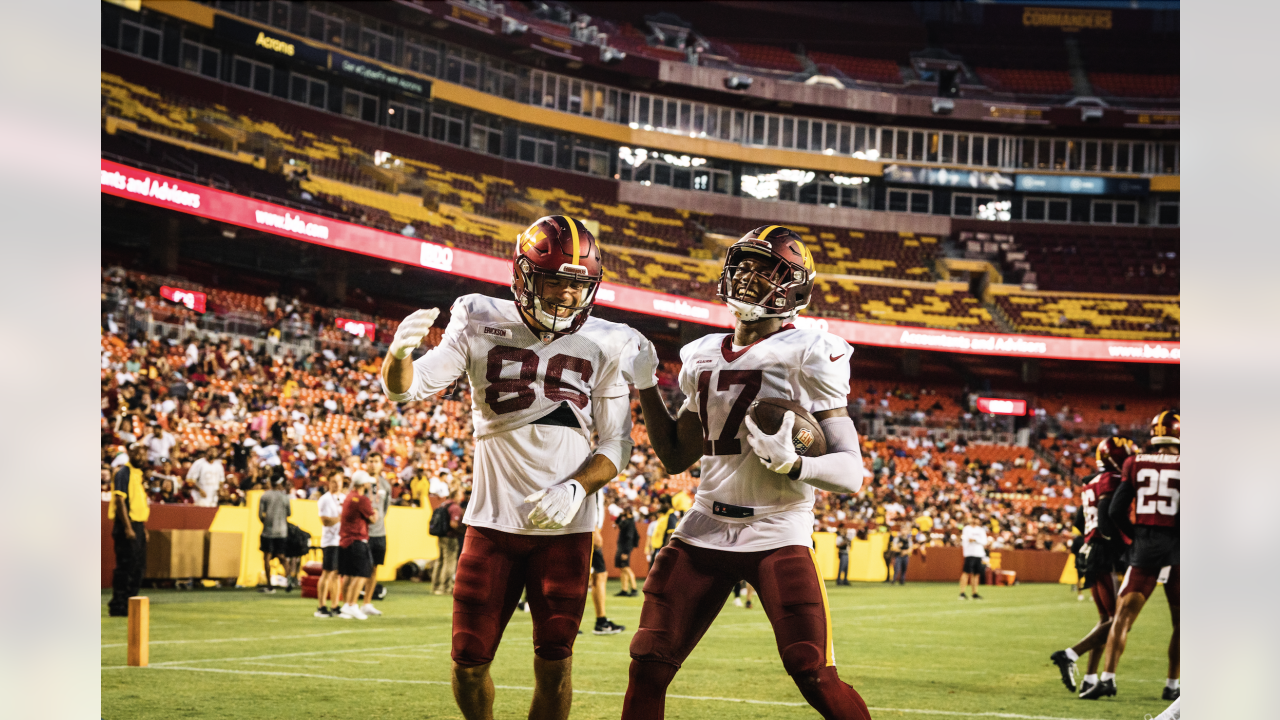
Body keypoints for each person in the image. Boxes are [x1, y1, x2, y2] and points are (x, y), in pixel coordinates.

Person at [380, 215, 634, 720]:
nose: (565, 298)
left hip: (567, 527)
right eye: (555, 283)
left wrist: (577, 490)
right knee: (468, 661)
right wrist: (397, 357)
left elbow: (618, 445)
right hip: (492, 522)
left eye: (577, 286)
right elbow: (408, 387)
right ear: (523, 276)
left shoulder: (609, 339)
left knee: (556, 663)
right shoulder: (477, 315)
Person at [623, 225, 872, 720]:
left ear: (796, 287)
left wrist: (797, 463)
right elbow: (675, 456)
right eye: (744, 265)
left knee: (811, 668)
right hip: (704, 526)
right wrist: (647, 385)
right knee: (648, 661)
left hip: (777, 527)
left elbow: (851, 472)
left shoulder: (811, 351)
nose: (748, 276)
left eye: (766, 270)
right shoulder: (699, 354)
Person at [1082, 412, 1180, 701]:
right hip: (1179, 548)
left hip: (1144, 546)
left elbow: (1115, 511)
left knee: (1122, 617)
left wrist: (1133, 538)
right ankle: (1172, 685)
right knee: (1182, 623)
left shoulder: (1134, 462)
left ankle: (1108, 679)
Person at [1050, 437, 1134, 695]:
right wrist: (1124, 545)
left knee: (1107, 619)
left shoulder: (1091, 481)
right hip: (1103, 551)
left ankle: (1089, 678)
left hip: (1090, 550)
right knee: (1119, 620)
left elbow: (1079, 519)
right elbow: (1108, 517)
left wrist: (1090, 537)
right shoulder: (1110, 479)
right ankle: (1069, 654)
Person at [107, 443, 150, 617]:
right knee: (126, 566)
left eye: (144, 455)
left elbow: (137, 505)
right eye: (138, 454)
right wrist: (128, 527)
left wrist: (142, 529)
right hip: (127, 525)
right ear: (131, 454)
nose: (142, 458)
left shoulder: (137, 475)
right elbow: (120, 501)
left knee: (138, 567)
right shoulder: (123, 473)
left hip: (138, 525)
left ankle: (131, 603)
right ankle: (119, 604)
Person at [338, 473, 379, 620]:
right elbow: (373, 518)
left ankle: (346, 605)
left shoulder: (349, 496)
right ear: (364, 484)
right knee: (362, 573)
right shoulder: (361, 499)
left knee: (349, 574)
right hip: (357, 539)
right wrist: (376, 513)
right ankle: (352, 604)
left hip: (345, 539)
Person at [361, 452, 392, 616]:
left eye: (376, 461)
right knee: (358, 570)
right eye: (370, 461)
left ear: (381, 464)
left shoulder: (386, 486)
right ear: (366, 463)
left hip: (379, 532)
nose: (373, 464)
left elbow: (385, 509)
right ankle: (350, 603)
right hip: (362, 533)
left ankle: (366, 603)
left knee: (374, 569)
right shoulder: (360, 483)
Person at [589, 491, 625, 635]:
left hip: (589, 529)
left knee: (600, 575)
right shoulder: (593, 472)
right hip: (588, 530)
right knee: (578, 577)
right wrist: (594, 529)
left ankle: (601, 621)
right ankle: (565, 623)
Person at [315, 472, 346, 617]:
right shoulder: (325, 500)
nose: (337, 484)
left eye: (339, 481)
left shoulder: (343, 498)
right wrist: (341, 518)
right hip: (330, 541)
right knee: (327, 572)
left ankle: (335, 605)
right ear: (328, 483)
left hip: (341, 540)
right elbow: (325, 521)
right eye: (334, 481)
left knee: (337, 574)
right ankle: (321, 606)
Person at [257, 476, 291, 594]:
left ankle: (269, 585)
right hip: (282, 531)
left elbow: (260, 514)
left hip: (268, 531)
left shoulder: (265, 495)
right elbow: (289, 513)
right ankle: (289, 580)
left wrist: (266, 523)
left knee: (267, 557)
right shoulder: (285, 497)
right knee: (282, 556)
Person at [432, 484, 466, 596]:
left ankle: (436, 586)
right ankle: (445, 587)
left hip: (441, 536)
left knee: (440, 561)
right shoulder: (455, 507)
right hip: (450, 537)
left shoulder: (444, 504)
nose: (462, 496)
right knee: (449, 562)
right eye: (460, 494)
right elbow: (453, 524)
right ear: (456, 495)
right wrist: (463, 532)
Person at [959, 513, 989, 600]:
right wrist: (975, 540)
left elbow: (984, 541)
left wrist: (975, 539)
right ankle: (962, 592)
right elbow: (967, 539)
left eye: (976, 519)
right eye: (973, 518)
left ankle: (974, 593)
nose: (975, 520)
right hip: (969, 553)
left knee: (976, 574)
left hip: (978, 553)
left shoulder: (981, 530)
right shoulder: (966, 529)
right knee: (966, 572)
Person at [614, 505, 639, 597]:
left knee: (626, 567)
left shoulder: (630, 523)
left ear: (627, 511)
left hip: (625, 548)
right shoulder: (628, 521)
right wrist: (621, 515)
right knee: (622, 568)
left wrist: (626, 552)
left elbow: (629, 538)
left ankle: (634, 588)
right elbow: (617, 522)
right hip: (622, 547)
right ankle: (624, 589)